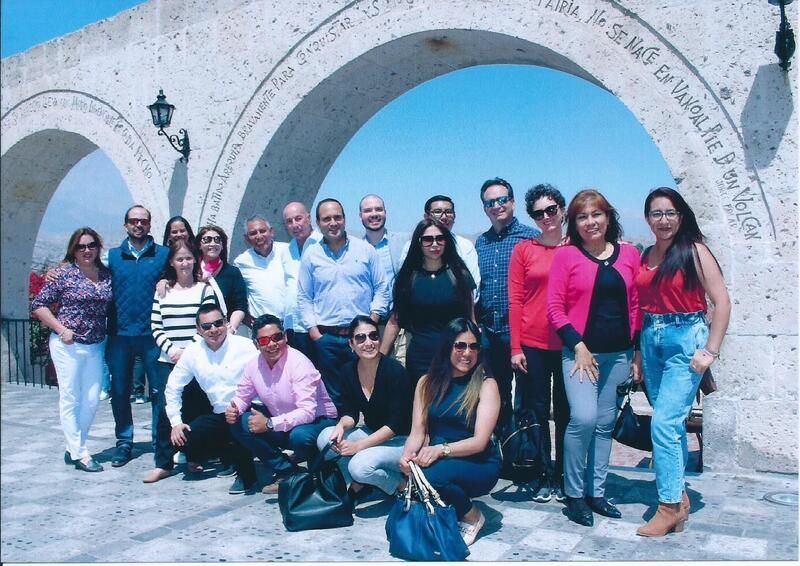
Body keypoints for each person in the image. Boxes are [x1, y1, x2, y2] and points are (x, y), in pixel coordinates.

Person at [633, 187, 731, 537]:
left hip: (685, 340)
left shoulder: (694, 250)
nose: (664, 220)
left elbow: (721, 302)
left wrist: (710, 350)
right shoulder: (647, 254)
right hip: (652, 339)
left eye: (670, 213)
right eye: (657, 214)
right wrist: (640, 353)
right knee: (670, 427)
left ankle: (669, 506)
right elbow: (643, 306)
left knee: (662, 423)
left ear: (681, 215)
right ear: (648, 218)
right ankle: (680, 498)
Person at [547, 189, 641, 527]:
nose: (591, 222)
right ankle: (574, 494)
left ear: (608, 217)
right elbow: (555, 309)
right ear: (574, 223)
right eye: (582, 217)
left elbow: (635, 305)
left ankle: (596, 492)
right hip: (580, 355)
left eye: (596, 215)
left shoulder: (630, 254)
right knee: (583, 419)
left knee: (604, 425)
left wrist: (636, 352)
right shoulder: (566, 257)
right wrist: (578, 346)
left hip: (619, 354)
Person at [398, 318, 501, 546]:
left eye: (474, 346)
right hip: (439, 456)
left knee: (430, 476)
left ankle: (472, 515)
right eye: (460, 345)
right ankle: (451, 505)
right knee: (415, 478)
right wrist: (407, 457)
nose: (467, 353)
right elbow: (418, 432)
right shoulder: (426, 383)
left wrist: (440, 450)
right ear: (447, 347)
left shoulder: (486, 384)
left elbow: (480, 442)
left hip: (479, 462)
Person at [226, 314, 338, 494]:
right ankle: (287, 470)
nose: (271, 344)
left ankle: (317, 473)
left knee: (300, 436)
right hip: (284, 422)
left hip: (318, 422)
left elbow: (307, 412)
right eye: (264, 340)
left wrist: (270, 424)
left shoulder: (299, 363)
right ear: (256, 344)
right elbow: (243, 395)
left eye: (277, 337)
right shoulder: (253, 365)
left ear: (285, 337)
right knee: (240, 422)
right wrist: (234, 408)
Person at [31, 227, 113, 473]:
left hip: (96, 344)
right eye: (81, 246)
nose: (86, 250)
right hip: (68, 345)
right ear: (73, 250)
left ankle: (74, 446)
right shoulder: (65, 275)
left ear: (98, 247)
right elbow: (39, 305)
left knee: (90, 400)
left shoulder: (107, 274)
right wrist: (61, 328)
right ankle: (80, 453)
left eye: (91, 245)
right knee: (70, 397)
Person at [297, 198, 390, 410]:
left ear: (345, 219)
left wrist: (373, 320)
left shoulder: (365, 250)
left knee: (368, 388)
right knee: (335, 395)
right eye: (326, 219)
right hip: (327, 338)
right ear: (318, 223)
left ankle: (370, 435)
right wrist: (315, 334)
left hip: (360, 336)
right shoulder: (311, 255)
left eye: (337, 217)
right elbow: (304, 296)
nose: (333, 223)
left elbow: (381, 287)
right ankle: (341, 437)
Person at [508, 183, 570, 502]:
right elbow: (516, 300)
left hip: (569, 344)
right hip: (533, 343)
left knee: (566, 411)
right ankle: (544, 474)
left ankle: (564, 474)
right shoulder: (524, 251)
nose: (546, 217)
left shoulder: (576, 248)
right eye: (538, 213)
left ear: (561, 209)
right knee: (536, 410)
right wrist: (515, 347)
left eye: (551, 210)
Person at [164, 304, 259, 494]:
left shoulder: (245, 346)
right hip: (219, 414)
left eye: (218, 323)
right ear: (198, 330)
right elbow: (173, 386)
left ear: (225, 322)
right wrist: (176, 423)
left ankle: (246, 476)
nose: (214, 330)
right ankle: (224, 456)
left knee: (239, 423)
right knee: (186, 435)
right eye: (207, 326)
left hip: (249, 409)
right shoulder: (192, 351)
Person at [143, 240, 217, 483]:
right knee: (168, 409)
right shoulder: (162, 291)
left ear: (195, 260)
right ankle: (164, 463)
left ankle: (195, 457)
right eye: (179, 259)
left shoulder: (204, 289)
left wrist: (189, 351)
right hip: (168, 359)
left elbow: (209, 322)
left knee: (197, 408)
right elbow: (156, 325)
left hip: (197, 358)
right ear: (172, 263)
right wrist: (172, 350)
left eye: (188, 258)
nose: (184, 263)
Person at [316, 316, 411, 500]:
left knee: (359, 466)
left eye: (373, 336)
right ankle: (358, 484)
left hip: (400, 440)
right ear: (351, 344)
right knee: (325, 439)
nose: (368, 343)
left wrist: (358, 446)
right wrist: (341, 427)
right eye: (360, 338)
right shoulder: (347, 370)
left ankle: (400, 485)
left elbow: (395, 425)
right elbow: (350, 412)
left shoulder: (395, 371)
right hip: (372, 432)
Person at [474, 178, 538, 439]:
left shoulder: (532, 238)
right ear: (485, 208)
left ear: (512, 202)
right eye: (490, 202)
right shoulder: (481, 243)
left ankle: (529, 455)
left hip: (524, 333)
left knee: (528, 397)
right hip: (491, 332)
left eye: (502, 200)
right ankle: (504, 453)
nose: (497, 206)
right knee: (495, 395)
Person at [106, 205, 169, 467]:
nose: (138, 225)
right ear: (126, 225)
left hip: (152, 335)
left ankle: (160, 443)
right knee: (120, 391)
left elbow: (179, 275)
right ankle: (124, 442)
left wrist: (167, 280)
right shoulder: (113, 256)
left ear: (150, 224)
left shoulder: (163, 254)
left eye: (143, 221)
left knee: (159, 391)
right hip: (120, 335)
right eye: (133, 220)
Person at [380, 219, 475, 386]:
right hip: (420, 358)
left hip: (456, 355)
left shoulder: (459, 276)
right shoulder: (408, 278)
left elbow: (471, 318)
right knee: (421, 408)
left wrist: (477, 352)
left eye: (440, 238)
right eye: (428, 239)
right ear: (419, 243)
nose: (435, 244)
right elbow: (395, 321)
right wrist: (379, 360)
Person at [401, 195, 481, 294]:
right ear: (426, 217)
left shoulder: (464, 246)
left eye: (448, 212)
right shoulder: (411, 246)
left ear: (454, 216)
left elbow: (473, 287)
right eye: (438, 212)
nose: (444, 217)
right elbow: (404, 281)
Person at [281, 201, 321, 360]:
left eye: (298, 219)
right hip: (294, 327)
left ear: (308, 218)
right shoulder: (287, 251)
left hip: (318, 325)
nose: (294, 224)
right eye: (289, 221)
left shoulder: (323, 244)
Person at [233, 215, 290, 324]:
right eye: (253, 233)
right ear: (246, 238)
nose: (258, 236)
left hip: (295, 323)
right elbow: (237, 298)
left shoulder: (289, 251)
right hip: (265, 328)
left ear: (271, 232)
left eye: (262, 231)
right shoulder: (241, 262)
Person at [195, 225, 248, 334]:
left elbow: (240, 305)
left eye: (217, 240)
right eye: (207, 240)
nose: (213, 243)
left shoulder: (233, 272)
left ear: (223, 245)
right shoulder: (192, 271)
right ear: (199, 245)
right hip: (197, 332)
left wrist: (231, 328)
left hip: (224, 330)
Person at [359, 194, 410, 290]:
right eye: (368, 210)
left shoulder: (405, 241)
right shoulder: (355, 249)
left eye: (378, 209)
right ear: (360, 216)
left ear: (385, 212)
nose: (374, 214)